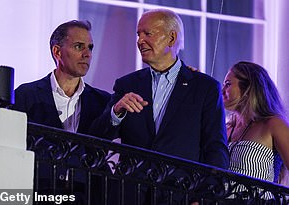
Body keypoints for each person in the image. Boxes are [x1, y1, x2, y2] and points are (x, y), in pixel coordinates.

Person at [91, 8, 229, 204]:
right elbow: (96, 138)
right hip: (129, 195)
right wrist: (116, 112)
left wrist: (205, 197)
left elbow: (215, 149)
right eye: (138, 34)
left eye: (148, 33)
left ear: (171, 38)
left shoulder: (205, 88)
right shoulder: (127, 84)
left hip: (180, 196)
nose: (140, 40)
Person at [12, 20, 110, 203]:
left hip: (86, 195)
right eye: (78, 46)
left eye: (90, 47)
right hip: (37, 193)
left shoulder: (102, 101)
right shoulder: (25, 95)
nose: (87, 54)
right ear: (57, 52)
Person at [222, 61, 289, 192]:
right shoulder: (225, 128)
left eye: (228, 84)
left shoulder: (273, 123)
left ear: (249, 88)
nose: (222, 90)